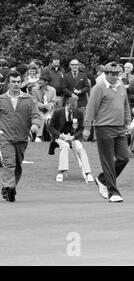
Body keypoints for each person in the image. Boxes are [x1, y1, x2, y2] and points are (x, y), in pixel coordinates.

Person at [83, 62, 131, 203]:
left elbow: (125, 105)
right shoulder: (99, 87)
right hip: (103, 127)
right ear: (106, 74)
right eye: (112, 74)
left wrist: (127, 122)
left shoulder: (121, 86)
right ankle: (113, 192)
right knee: (108, 161)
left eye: (117, 74)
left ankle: (102, 179)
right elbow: (91, 108)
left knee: (124, 158)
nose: (115, 77)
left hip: (120, 127)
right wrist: (87, 127)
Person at [0, 71, 41, 202]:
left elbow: (35, 115)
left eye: (18, 82)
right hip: (5, 137)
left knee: (17, 165)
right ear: (8, 83)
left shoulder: (28, 99)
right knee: (8, 163)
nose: (16, 84)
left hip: (22, 138)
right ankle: (10, 188)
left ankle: (7, 187)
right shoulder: (1, 99)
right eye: (13, 82)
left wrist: (35, 125)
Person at [48, 97, 94, 182]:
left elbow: (81, 128)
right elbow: (50, 127)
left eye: (74, 108)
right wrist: (60, 135)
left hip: (73, 137)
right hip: (60, 137)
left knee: (80, 148)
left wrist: (73, 137)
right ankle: (60, 172)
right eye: (70, 108)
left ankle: (88, 173)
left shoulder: (79, 113)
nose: (72, 110)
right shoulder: (57, 112)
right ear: (66, 104)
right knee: (65, 146)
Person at [31, 72, 57, 142]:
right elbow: (34, 102)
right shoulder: (34, 89)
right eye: (39, 80)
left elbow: (54, 101)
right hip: (38, 109)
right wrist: (44, 106)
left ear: (46, 82)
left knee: (50, 119)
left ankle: (54, 138)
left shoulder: (52, 90)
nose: (39, 81)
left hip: (49, 110)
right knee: (42, 118)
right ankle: (38, 136)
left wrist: (50, 106)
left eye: (41, 80)